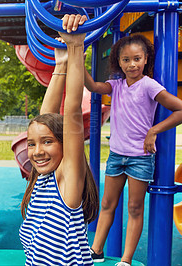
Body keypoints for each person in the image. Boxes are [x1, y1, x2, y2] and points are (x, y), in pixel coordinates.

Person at [85, 34, 182, 265]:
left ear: (146, 59)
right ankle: (96, 250)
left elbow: (179, 110)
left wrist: (153, 131)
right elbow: (92, 86)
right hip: (117, 156)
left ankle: (126, 260)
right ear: (119, 62)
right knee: (107, 204)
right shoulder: (115, 86)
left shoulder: (149, 85)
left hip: (140, 157)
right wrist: (77, 56)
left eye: (137, 59)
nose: (132, 64)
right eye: (126, 60)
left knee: (135, 208)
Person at [19, 14, 99, 265]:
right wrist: (61, 65)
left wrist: (76, 47)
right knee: (44, 122)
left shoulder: (67, 183)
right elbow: (46, 118)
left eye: (48, 142)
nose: (37, 151)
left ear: (66, 145)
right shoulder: (41, 178)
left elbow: (72, 111)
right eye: (32, 144)